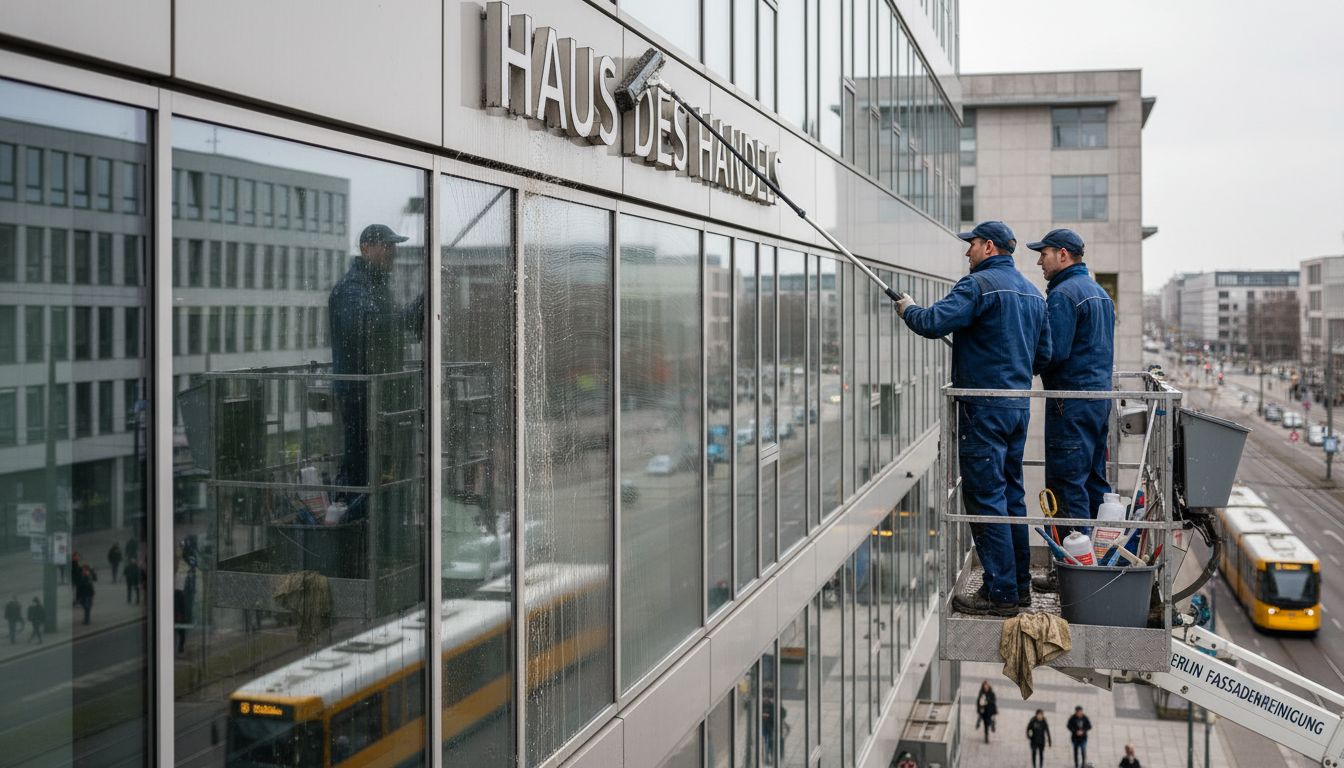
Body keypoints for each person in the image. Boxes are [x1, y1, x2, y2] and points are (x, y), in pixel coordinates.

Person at [897, 221, 1051, 615]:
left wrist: (907, 308)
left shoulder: (977, 286)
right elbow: (1044, 356)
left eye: (972, 246)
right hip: (1017, 408)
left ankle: (999, 594)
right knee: (1011, 496)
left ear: (988, 247)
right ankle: (1018, 587)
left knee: (985, 499)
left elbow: (931, 322)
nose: (967, 253)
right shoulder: (1034, 294)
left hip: (983, 408)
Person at [1027, 229, 1115, 593]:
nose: (1039, 261)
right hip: (1097, 401)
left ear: (1063, 255)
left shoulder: (1063, 294)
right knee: (1094, 482)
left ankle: (1069, 571)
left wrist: (1024, 362)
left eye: (1043, 254)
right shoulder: (1100, 294)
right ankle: (1096, 567)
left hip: (1070, 402)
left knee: (1066, 486)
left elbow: (1053, 352)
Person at [328, 224, 424, 522]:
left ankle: (372, 523)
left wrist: (415, 313)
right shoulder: (352, 289)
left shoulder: (376, 288)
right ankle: (354, 523)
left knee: (379, 462)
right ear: (366, 249)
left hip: (379, 392)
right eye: (386, 246)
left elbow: (393, 327)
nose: (392, 253)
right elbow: (371, 328)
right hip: (360, 393)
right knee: (361, 460)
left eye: (393, 247)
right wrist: (410, 314)